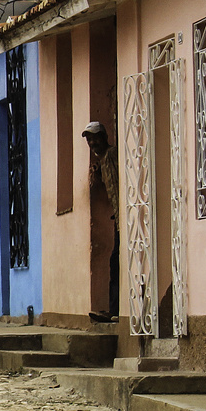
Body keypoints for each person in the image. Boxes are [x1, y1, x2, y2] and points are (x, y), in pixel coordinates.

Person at [82, 121, 120, 322]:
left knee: (116, 262)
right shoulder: (104, 160)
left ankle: (116, 311)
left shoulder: (112, 155)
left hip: (124, 218)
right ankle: (114, 310)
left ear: (104, 137)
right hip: (119, 217)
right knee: (115, 262)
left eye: (95, 138)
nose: (92, 142)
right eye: (89, 139)